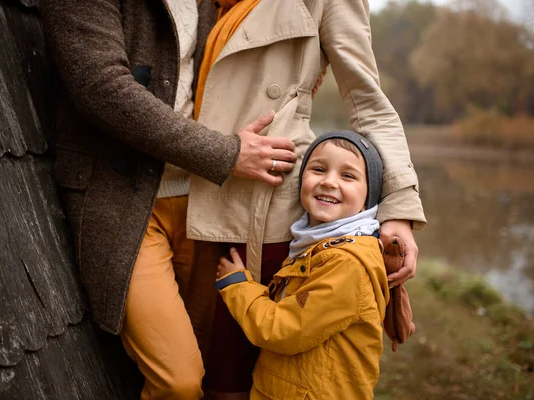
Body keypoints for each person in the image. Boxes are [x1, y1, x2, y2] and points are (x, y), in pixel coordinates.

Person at [40, 1, 299, 399]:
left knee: (220, 375)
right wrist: (226, 153)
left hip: (206, 206)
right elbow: (100, 87)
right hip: (125, 205)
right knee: (179, 380)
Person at [188, 1, 427, 397]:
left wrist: (398, 207)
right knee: (185, 371)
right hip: (180, 187)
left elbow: (368, 102)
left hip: (260, 209)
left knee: (233, 377)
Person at [214, 131, 390, 400]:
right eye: (318, 169)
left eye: (348, 175)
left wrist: (237, 285)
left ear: (369, 197)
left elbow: (284, 330)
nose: (329, 182)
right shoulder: (313, 244)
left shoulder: (347, 264)